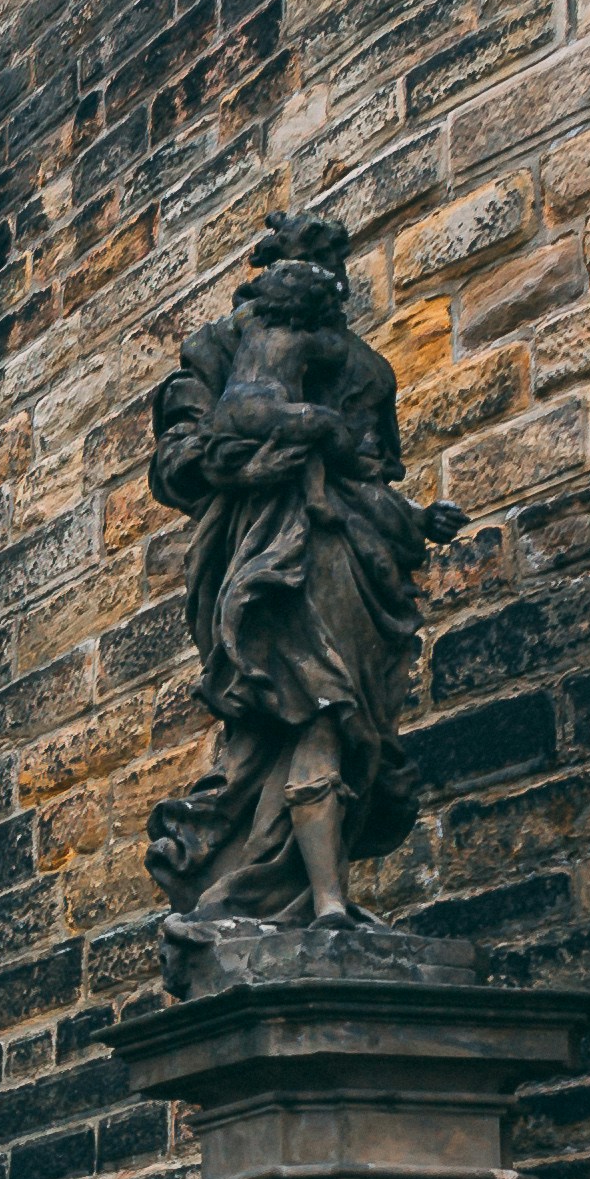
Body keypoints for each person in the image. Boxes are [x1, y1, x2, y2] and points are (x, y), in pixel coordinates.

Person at [142, 210, 468, 927]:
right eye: (302, 262)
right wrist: (272, 450)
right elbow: (179, 460)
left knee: (351, 721)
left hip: (352, 555)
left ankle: (313, 897)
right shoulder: (224, 348)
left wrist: (413, 520)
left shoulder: (365, 368)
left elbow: (373, 471)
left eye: (330, 264)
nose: (321, 278)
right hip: (267, 552)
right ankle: (306, 900)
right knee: (309, 709)